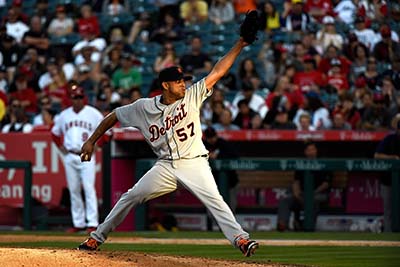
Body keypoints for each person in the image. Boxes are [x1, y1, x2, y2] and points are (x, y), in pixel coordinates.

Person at [77, 36, 259, 257]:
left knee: (215, 201)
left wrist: (239, 44)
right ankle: (96, 239)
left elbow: (218, 72)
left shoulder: (191, 96)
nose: (184, 84)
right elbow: (114, 115)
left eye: (184, 80)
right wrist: (91, 140)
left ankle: (241, 238)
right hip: (165, 166)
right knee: (130, 197)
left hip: (193, 162)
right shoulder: (143, 108)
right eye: (178, 81)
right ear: (165, 85)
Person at [51, 86, 104, 233]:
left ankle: (92, 222)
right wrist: (61, 147)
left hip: (86, 155)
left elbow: (108, 131)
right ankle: (78, 223)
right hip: (70, 155)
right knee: (74, 190)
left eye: (80, 97)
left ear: (84, 98)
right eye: (75, 97)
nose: (78, 100)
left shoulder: (93, 113)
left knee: (88, 188)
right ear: (70, 99)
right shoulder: (64, 115)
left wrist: (98, 145)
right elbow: (55, 133)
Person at [277, 141, 332, 231]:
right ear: (305, 152)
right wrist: (297, 194)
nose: (310, 152)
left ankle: (307, 227)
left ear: (316, 151)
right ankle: (282, 224)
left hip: (317, 194)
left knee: (314, 200)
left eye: (312, 149)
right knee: (285, 200)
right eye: (308, 150)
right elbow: (296, 182)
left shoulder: (323, 163)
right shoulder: (301, 163)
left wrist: (311, 194)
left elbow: (326, 184)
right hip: (302, 195)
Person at [374, 119, 400, 232]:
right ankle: (388, 235)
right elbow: (377, 155)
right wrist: (392, 158)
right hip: (388, 181)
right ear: (398, 130)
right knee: (388, 210)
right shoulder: (390, 139)